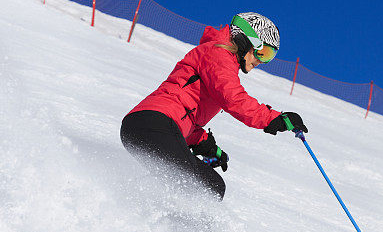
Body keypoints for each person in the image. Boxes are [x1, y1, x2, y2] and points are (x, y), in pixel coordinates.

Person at [121, 12, 308, 201]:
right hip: (154, 123)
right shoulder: (217, 53)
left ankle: (132, 211)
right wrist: (273, 118)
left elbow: (185, 114)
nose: (261, 61)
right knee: (199, 187)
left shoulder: (216, 60)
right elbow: (233, 98)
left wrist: (203, 143)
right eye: (263, 52)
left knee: (204, 186)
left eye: (270, 56)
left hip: (151, 126)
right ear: (246, 39)